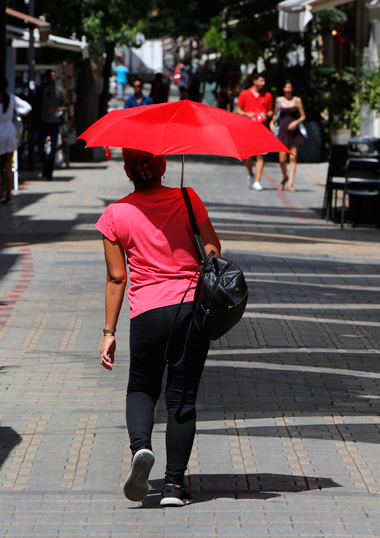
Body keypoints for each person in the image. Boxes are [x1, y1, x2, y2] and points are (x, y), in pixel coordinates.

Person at [96, 148, 221, 507]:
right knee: (182, 397)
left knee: (141, 387)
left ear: (126, 170)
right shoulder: (187, 197)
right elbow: (213, 247)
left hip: (146, 314)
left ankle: (141, 448)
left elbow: (117, 278)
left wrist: (109, 332)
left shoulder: (114, 215)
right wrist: (200, 257)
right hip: (189, 311)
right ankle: (173, 487)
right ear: (163, 166)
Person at [0, 74, 32, 204]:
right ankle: (9, 195)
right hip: (10, 131)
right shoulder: (11, 98)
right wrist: (17, 113)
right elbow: (27, 107)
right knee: (8, 166)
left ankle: (0, 193)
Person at [235, 73, 273, 191]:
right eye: (261, 81)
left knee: (260, 155)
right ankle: (251, 174)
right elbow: (238, 110)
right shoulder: (244, 94)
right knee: (248, 155)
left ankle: (257, 181)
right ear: (254, 81)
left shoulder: (267, 95)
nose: (263, 83)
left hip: (262, 128)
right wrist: (247, 114)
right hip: (248, 128)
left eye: (264, 81)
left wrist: (266, 114)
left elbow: (271, 111)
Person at [270, 80, 306, 192]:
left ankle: (290, 184)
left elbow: (303, 116)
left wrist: (296, 122)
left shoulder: (297, 100)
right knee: (282, 158)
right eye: (286, 87)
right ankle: (285, 177)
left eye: (290, 87)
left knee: (293, 157)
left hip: (294, 132)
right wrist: (271, 124)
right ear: (283, 89)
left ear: (292, 89)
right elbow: (275, 115)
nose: (288, 90)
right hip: (282, 131)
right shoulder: (279, 100)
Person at [35, 69, 66, 181]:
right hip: (43, 122)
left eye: (54, 76)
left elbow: (65, 105)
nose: (52, 78)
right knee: (39, 148)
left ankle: (49, 173)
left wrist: (57, 109)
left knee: (53, 149)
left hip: (54, 122)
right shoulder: (41, 89)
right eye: (50, 76)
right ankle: (46, 166)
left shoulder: (59, 90)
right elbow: (36, 104)